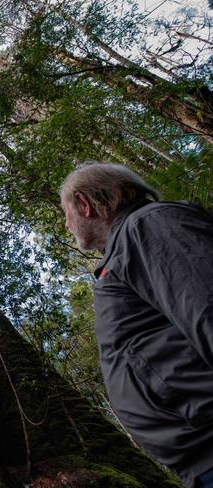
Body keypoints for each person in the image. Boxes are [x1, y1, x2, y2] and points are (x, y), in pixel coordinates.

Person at [60, 162, 213, 488]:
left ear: (84, 204)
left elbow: (206, 305)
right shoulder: (126, 247)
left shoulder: (147, 225)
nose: (66, 225)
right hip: (200, 457)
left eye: (66, 214)